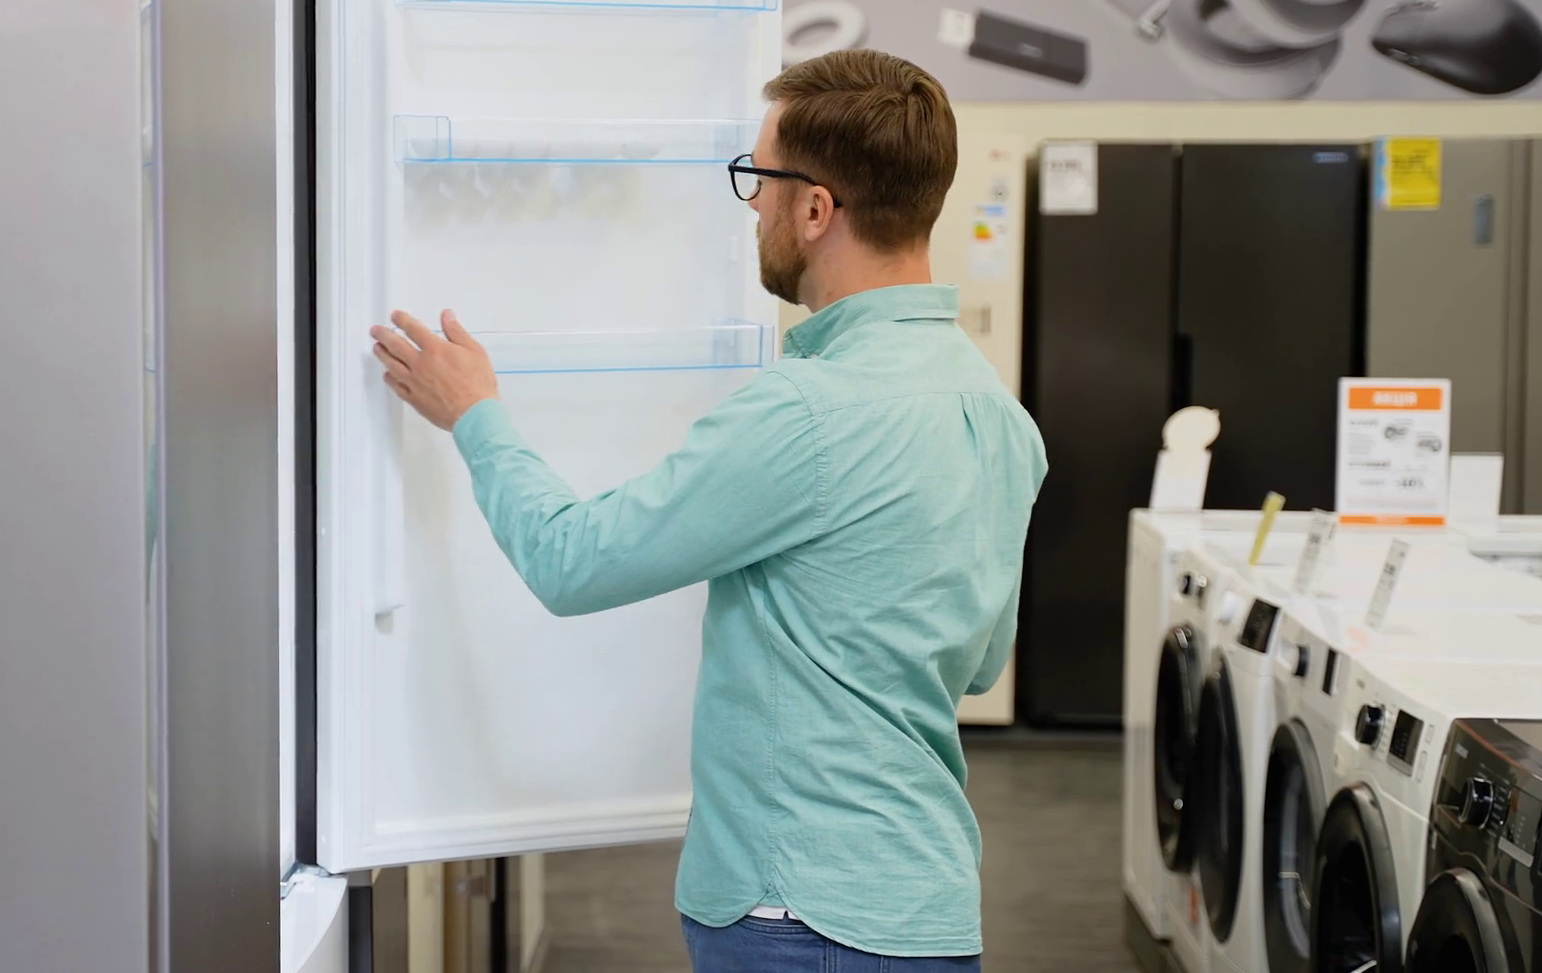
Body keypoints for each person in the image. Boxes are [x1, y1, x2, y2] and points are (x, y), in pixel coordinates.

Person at [369, 48, 1048, 972]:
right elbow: (980, 663)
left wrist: (475, 413)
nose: (754, 206)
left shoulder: (804, 414)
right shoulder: (997, 415)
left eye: (760, 180)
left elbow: (573, 562)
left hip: (802, 918)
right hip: (927, 908)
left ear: (816, 210)